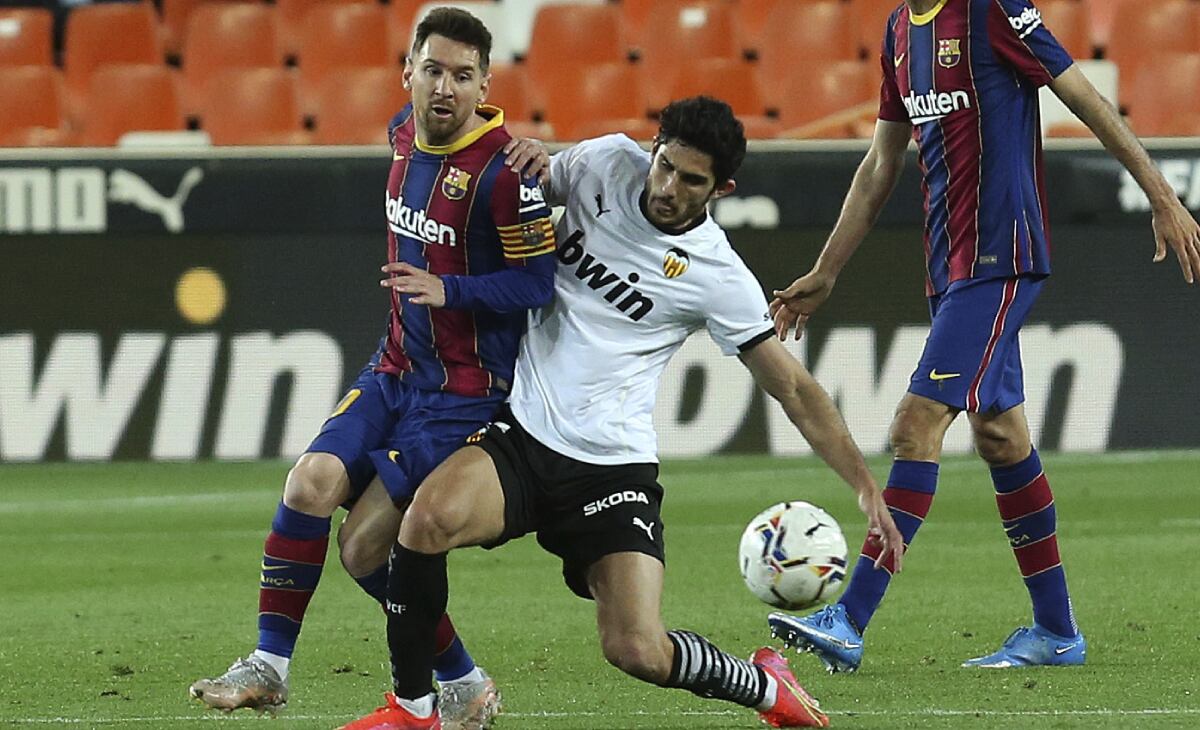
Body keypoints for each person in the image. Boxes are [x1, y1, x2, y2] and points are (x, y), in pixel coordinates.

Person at [339, 96, 906, 730]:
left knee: (636, 649)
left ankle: (766, 686)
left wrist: (863, 485)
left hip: (611, 468)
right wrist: (526, 158)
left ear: (721, 188)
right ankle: (415, 710)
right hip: (524, 434)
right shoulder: (607, 162)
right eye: (664, 166)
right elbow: (521, 184)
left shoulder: (719, 276)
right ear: (652, 149)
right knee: (426, 520)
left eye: (692, 181)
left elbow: (795, 391)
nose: (668, 188)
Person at [767, 0, 1200, 674]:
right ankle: (1056, 633)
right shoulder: (898, 32)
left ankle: (848, 619)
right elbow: (881, 164)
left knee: (916, 425)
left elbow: (1081, 94)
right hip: (951, 266)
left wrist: (1161, 195)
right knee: (1002, 438)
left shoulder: (989, 9)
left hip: (1001, 253)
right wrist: (827, 271)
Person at [188, 8, 558, 728]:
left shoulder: (506, 173)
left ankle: (460, 680)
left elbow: (538, 284)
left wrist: (450, 289)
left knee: (361, 546)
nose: (444, 87)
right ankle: (269, 665)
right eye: (433, 70)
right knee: (310, 481)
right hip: (394, 367)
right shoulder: (400, 131)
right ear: (408, 72)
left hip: (462, 392)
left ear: (486, 83)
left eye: (462, 75)